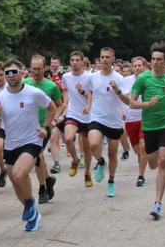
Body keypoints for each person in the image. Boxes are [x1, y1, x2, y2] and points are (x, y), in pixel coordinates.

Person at [0, 59, 56, 233]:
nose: (11, 76)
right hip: (11, 144)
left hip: (32, 141)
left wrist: (46, 127)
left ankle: (30, 203)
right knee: (15, 182)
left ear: (22, 73)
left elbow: (52, 107)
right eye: (7, 73)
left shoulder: (34, 92)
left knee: (19, 174)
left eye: (14, 72)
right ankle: (32, 215)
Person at [130, 43, 165, 220]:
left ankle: (157, 203)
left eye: (158, 60)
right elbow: (132, 103)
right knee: (153, 163)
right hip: (149, 125)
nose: (154, 62)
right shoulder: (143, 79)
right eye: (153, 59)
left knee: (161, 162)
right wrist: (147, 103)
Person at [83, 47, 131, 198]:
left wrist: (117, 90)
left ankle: (111, 181)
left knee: (112, 153)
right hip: (96, 117)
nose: (104, 59)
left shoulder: (119, 78)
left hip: (114, 120)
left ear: (113, 59)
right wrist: (89, 105)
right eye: (102, 57)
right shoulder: (93, 77)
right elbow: (90, 92)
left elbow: (127, 101)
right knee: (93, 144)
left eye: (107, 57)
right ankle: (100, 161)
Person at [23, 55, 62, 204]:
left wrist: (53, 120)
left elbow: (60, 105)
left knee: (38, 157)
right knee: (38, 158)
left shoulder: (51, 86)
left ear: (44, 68)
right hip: (27, 128)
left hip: (44, 127)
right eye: (33, 69)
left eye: (39, 69)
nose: (36, 71)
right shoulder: (24, 84)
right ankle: (48, 180)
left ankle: (42, 189)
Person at [61, 50, 93, 183]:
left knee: (87, 149)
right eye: (72, 60)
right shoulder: (66, 77)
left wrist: (81, 92)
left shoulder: (89, 77)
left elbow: (92, 96)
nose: (74, 62)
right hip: (73, 113)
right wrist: (64, 109)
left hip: (87, 115)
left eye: (77, 60)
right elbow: (66, 94)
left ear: (82, 62)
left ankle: (87, 173)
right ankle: (75, 160)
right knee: (68, 139)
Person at [122, 56, 149, 186]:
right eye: (135, 65)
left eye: (140, 65)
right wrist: (121, 110)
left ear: (145, 66)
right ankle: (151, 153)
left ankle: (141, 175)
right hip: (131, 118)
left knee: (143, 147)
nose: (138, 67)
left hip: (146, 117)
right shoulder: (126, 81)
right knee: (137, 149)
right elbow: (121, 97)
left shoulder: (150, 78)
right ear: (132, 67)